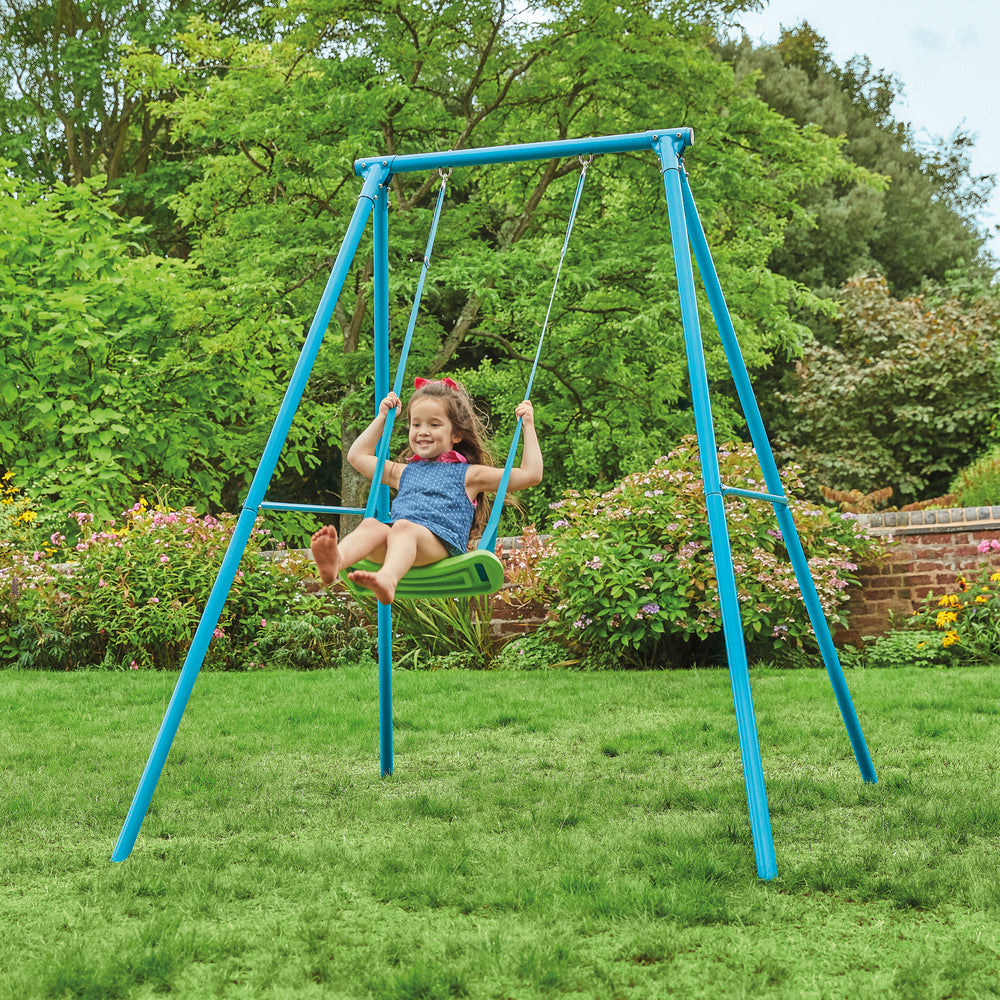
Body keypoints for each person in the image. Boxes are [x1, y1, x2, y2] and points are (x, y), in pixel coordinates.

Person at [311, 377, 542, 605]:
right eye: (416, 424)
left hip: (439, 545)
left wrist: (528, 426)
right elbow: (357, 456)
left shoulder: (470, 475)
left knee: (403, 527)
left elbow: (530, 474)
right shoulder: (404, 472)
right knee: (372, 525)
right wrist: (382, 418)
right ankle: (337, 561)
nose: (422, 431)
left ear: (456, 435)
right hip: (399, 545)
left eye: (434, 424)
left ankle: (388, 579)